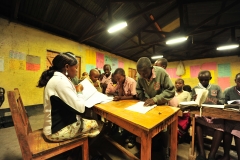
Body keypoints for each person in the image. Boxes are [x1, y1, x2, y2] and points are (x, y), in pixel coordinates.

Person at [36, 52, 100, 142]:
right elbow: (80, 109)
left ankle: (76, 150)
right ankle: (78, 153)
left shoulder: (58, 79)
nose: (77, 70)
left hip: (54, 125)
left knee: (85, 121)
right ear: (66, 67)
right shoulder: (60, 81)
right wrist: (79, 91)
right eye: (76, 67)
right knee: (95, 124)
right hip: (55, 131)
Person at [136, 57, 175, 159]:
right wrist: (143, 97)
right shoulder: (140, 76)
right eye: (140, 73)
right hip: (148, 104)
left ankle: (165, 150)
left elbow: (171, 91)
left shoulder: (161, 73)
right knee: (146, 126)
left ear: (151, 67)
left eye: (145, 72)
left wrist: (155, 99)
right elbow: (138, 89)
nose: (142, 76)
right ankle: (149, 147)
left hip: (161, 105)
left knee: (163, 128)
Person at [192, 70, 224, 160]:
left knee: (220, 127)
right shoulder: (195, 88)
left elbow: (222, 101)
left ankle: (212, 154)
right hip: (202, 114)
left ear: (210, 78)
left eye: (206, 80)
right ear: (198, 79)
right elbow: (191, 102)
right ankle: (202, 153)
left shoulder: (216, 87)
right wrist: (194, 99)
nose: (203, 82)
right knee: (198, 122)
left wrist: (217, 101)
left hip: (214, 114)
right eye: (201, 80)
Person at [220, 73, 240, 160]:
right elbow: (224, 103)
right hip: (231, 116)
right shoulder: (229, 91)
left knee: (237, 131)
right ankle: (226, 155)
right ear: (235, 81)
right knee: (227, 130)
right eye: (239, 81)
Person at [175, 78, 191, 143]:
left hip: (183, 114)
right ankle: (174, 138)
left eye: (180, 83)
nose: (177, 84)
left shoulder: (187, 93)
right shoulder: (172, 93)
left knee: (185, 122)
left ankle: (180, 136)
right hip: (173, 113)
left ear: (183, 84)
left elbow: (189, 104)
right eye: (176, 83)